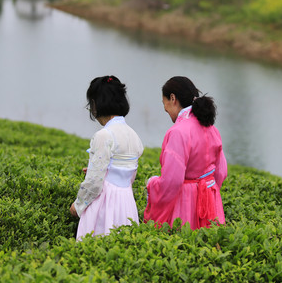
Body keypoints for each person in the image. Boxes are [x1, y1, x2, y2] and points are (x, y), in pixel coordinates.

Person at [144, 76, 228, 229]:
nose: (166, 111)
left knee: (183, 244)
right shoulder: (211, 128)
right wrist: (208, 191)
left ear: (173, 98)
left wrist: (152, 183)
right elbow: (221, 172)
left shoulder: (178, 132)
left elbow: (172, 182)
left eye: (165, 105)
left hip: (186, 203)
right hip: (211, 202)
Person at [70, 76, 144, 239]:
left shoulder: (104, 135)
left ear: (95, 105)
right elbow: (128, 176)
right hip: (126, 203)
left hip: (104, 203)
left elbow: (95, 182)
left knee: (94, 248)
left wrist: (78, 205)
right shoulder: (134, 136)